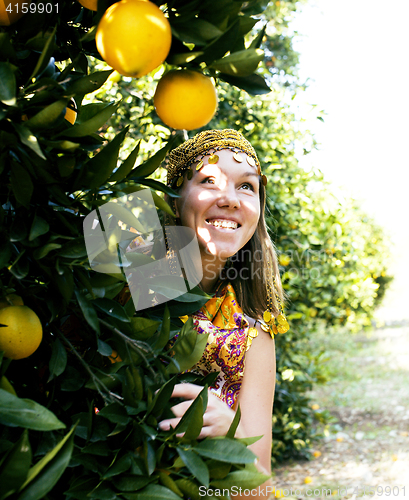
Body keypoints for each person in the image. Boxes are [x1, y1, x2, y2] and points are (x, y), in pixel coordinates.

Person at [156, 129, 289, 497]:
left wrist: (231, 430)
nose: (229, 199)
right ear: (173, 198)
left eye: (247, 186)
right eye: (208, 180)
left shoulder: (254, 330)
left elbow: (260, 486)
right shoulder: (133, 277)